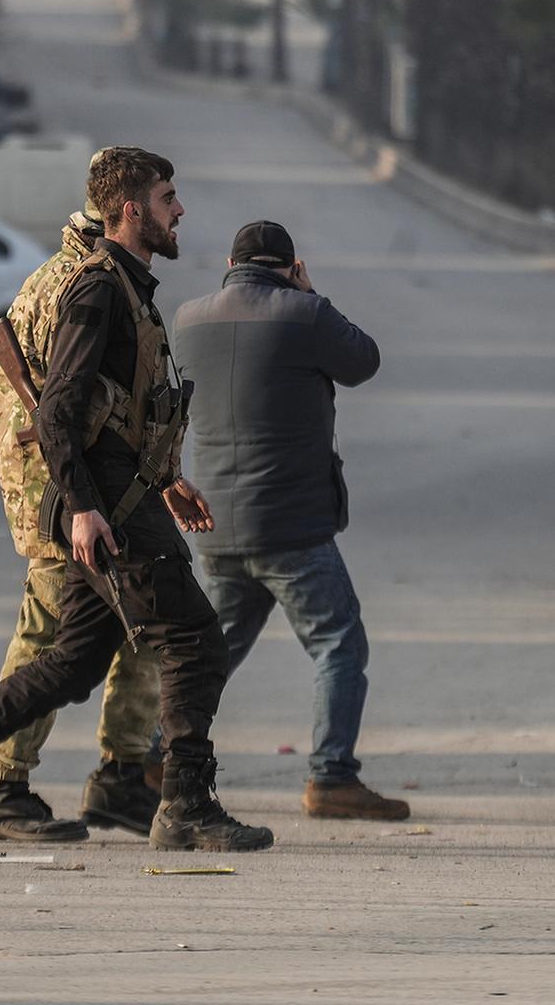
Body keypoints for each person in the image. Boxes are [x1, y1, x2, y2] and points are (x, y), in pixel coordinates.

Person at [0, 147, 272, 853]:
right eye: (167, 198)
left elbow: (121, 410)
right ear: (130, 209)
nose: (179, 210)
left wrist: (166, 477)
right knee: (194, 640)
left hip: (118, 499)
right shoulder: (96, 289)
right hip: (109, 510)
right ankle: (185, 804)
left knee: (73, 662)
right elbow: (57, 412)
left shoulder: (126, 286)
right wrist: (86, 507)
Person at [172, 220, 406, 821]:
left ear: (230, 262)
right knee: (338, 643)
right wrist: (308, 295)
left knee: (210, 653)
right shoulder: (304, 313)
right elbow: (363, 361)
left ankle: (154, 757)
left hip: (215, 525)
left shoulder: (188, 318)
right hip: (290, 526)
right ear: (291, 265)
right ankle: (331, 778)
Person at [0, 177, 163, 843]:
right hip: (65, 495)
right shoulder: (78, 284)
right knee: (49, 639)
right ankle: (2, 788)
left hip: (91, 494)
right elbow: (60, 416)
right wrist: (79, 503)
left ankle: (121, 776)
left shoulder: (88, 279)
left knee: (143, 627)